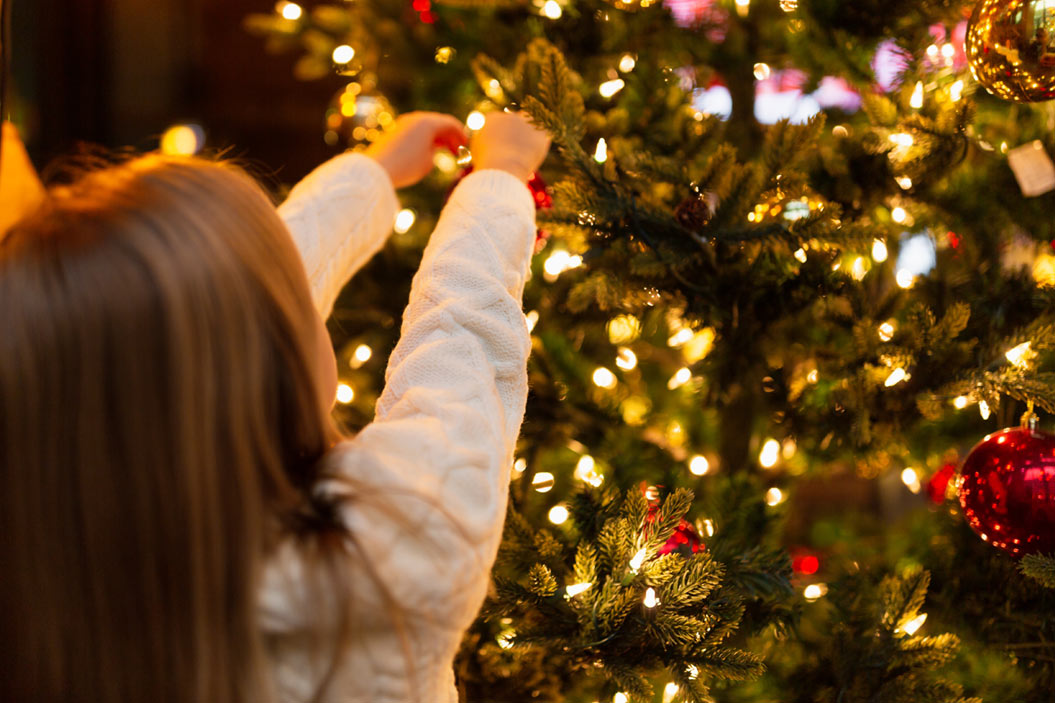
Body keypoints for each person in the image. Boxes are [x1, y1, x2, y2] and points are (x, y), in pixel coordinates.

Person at [0, 111, 550, 703]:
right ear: (265, 371)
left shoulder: (53, 565)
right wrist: (501, 179)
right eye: (299, 309)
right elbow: (461, 338)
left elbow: (223, 304)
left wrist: (376, 173)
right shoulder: (376, 553)